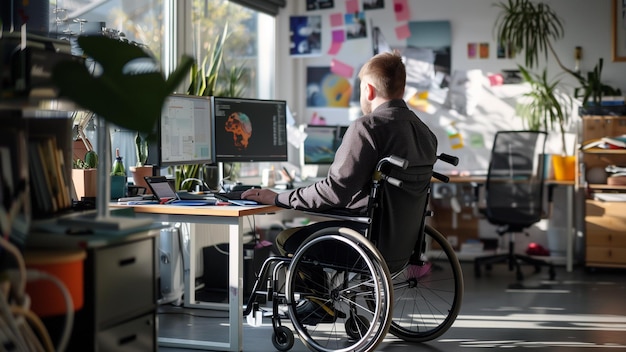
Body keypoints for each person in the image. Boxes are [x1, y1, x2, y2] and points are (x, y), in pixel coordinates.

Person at [241, 51, 437, 323]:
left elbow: (334, 191)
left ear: (368, 90)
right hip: (401, 245)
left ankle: (320, 305)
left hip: (367, 243)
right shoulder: (425, 132)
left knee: (286, 238)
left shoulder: (367, 128)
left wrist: (280, 197)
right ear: (402, 87)